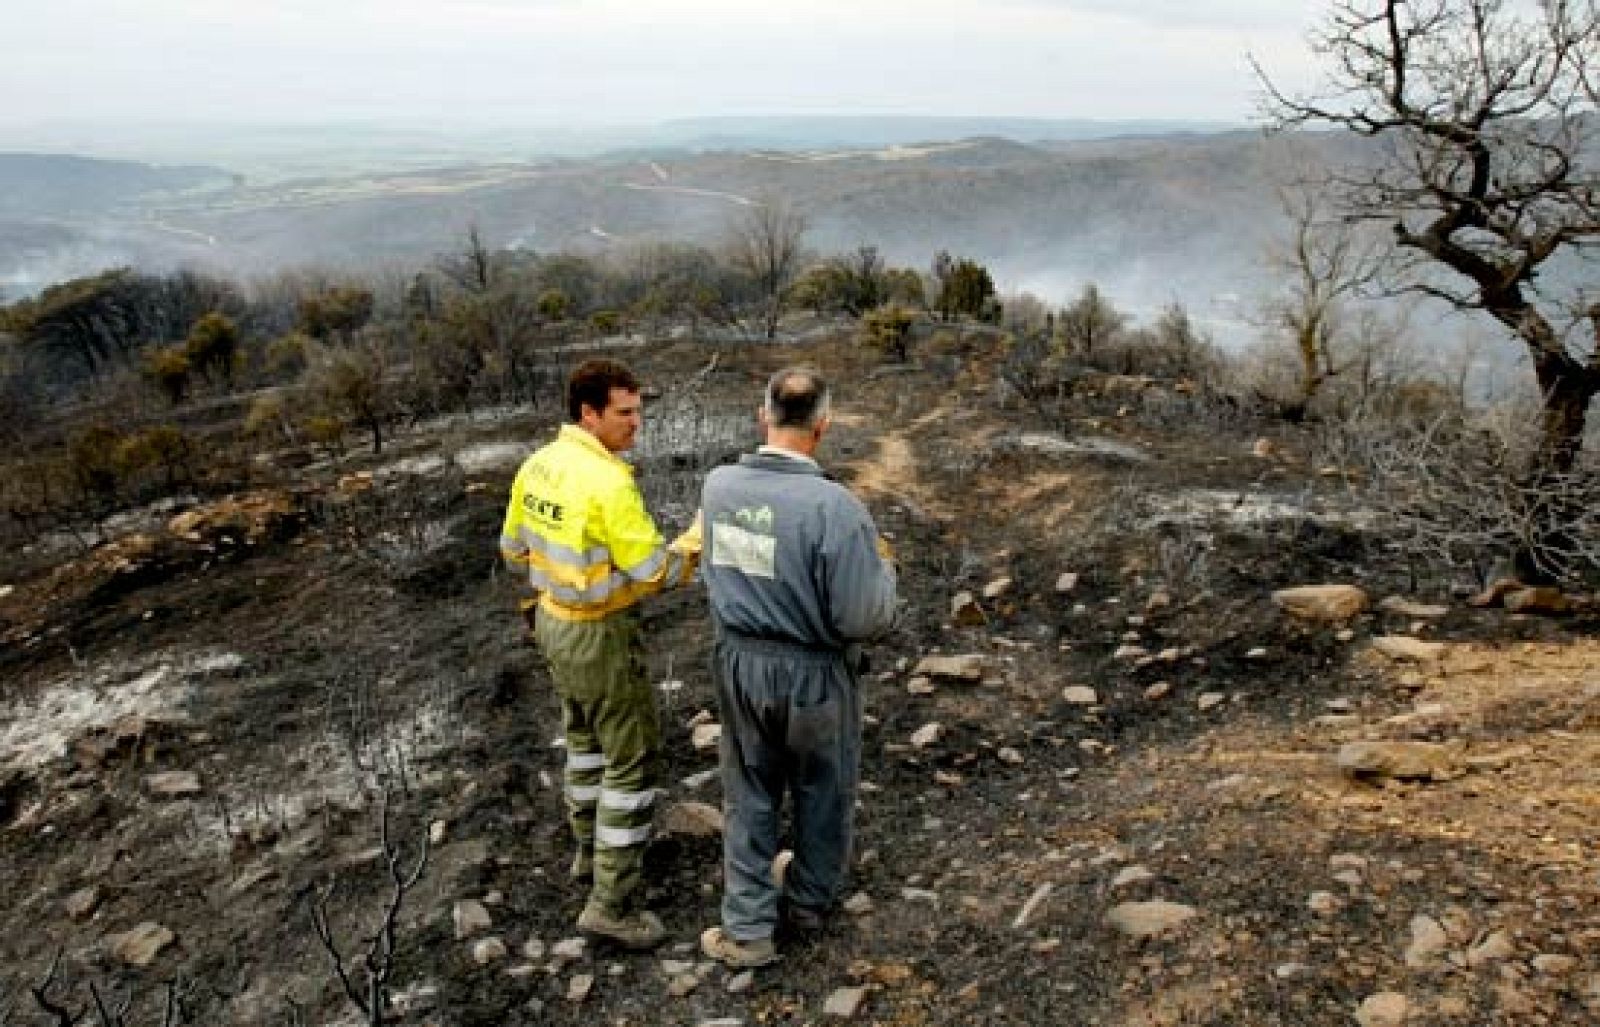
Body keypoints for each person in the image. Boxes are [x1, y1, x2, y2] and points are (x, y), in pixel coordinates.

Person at [696, 367, 898, 968]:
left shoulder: (719, 487)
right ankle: (809, 903)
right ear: (823, 425)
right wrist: (886, 574)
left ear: (764, 416)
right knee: (822, 788)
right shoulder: (837, 509)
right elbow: (864, 618)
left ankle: (749, 930)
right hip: (813, 674)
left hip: (738, 665)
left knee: (749, 789)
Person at [500, 358, 701, 950]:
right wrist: (693, 542)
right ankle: (613, 902)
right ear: (588, 414)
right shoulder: (608, 482)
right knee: (631, 761)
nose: (637, 423)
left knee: (584, 745)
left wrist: (564, 580)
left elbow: (514, 552)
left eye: (639, 410)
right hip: (599, 635)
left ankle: (589, 854)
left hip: (550, 624)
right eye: (625, 413)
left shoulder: (538, 464)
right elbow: (653, 571)